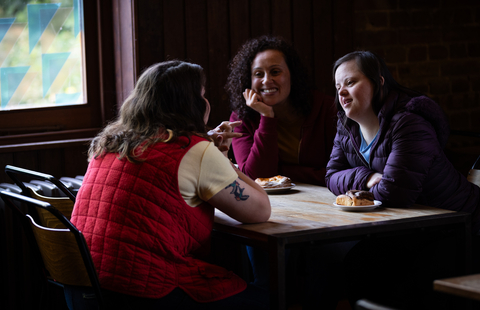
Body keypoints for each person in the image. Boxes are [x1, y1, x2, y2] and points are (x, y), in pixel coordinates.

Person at [66, 61, 271, 310]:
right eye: (202, 95)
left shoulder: (110, 143)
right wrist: (223, 162)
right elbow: (260, 210)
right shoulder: (192, 149)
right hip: (140, 292)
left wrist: (214, 154)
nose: (206, 101)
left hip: (82, 288)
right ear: (191, 104)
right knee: (267, 300)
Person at [326, 50, 480, 308]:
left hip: (458, 226)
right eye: (338, 86)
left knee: (401, 284)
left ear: (379, 81)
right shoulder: (347, 127)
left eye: (351, 83)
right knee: (358, 265)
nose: (341, 93)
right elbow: (331, 176)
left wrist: (364, 189)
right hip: (409, 226)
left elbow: (396, 193)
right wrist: (367, 177)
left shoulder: (409, 123)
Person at [225, 35, 337, 186]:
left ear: (292, 75)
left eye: (275, 72)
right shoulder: (241, 118)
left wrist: (281, 171)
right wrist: (267, 117)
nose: (266, 80)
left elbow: (339, 173)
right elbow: (255, 177)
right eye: (258, 74)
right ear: (248, 80)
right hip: (274, 205)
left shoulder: (328, 110)